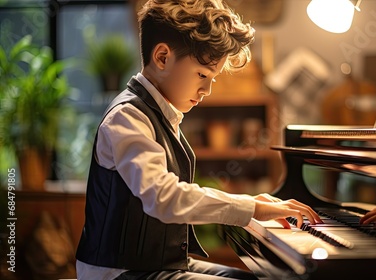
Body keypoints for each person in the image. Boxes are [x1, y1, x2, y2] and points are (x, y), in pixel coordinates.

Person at [75, 0, 323, 279]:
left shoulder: (160, 114)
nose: (206, 90)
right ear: (162, 57)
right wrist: (252, 207)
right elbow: (164, 198)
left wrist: (251, 204)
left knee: (255, 276)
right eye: (202, 74)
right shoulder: (127, 118)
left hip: (158, 264)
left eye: (212, 78)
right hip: (120, 272)